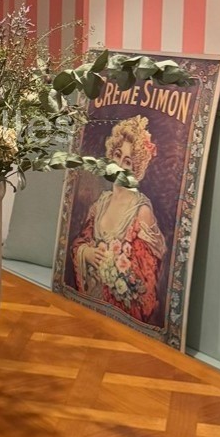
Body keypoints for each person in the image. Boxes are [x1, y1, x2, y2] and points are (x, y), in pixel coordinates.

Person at [71, 116, 166, 323]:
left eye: (128, 161)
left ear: (137, 168)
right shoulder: (100, 203)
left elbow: (147, 283)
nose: (120, 166)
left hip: (120, 315)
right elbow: (80, 243)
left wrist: (115, 267)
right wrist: (86, 253)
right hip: (88, 308)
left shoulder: (141, 212)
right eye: (117, 155)